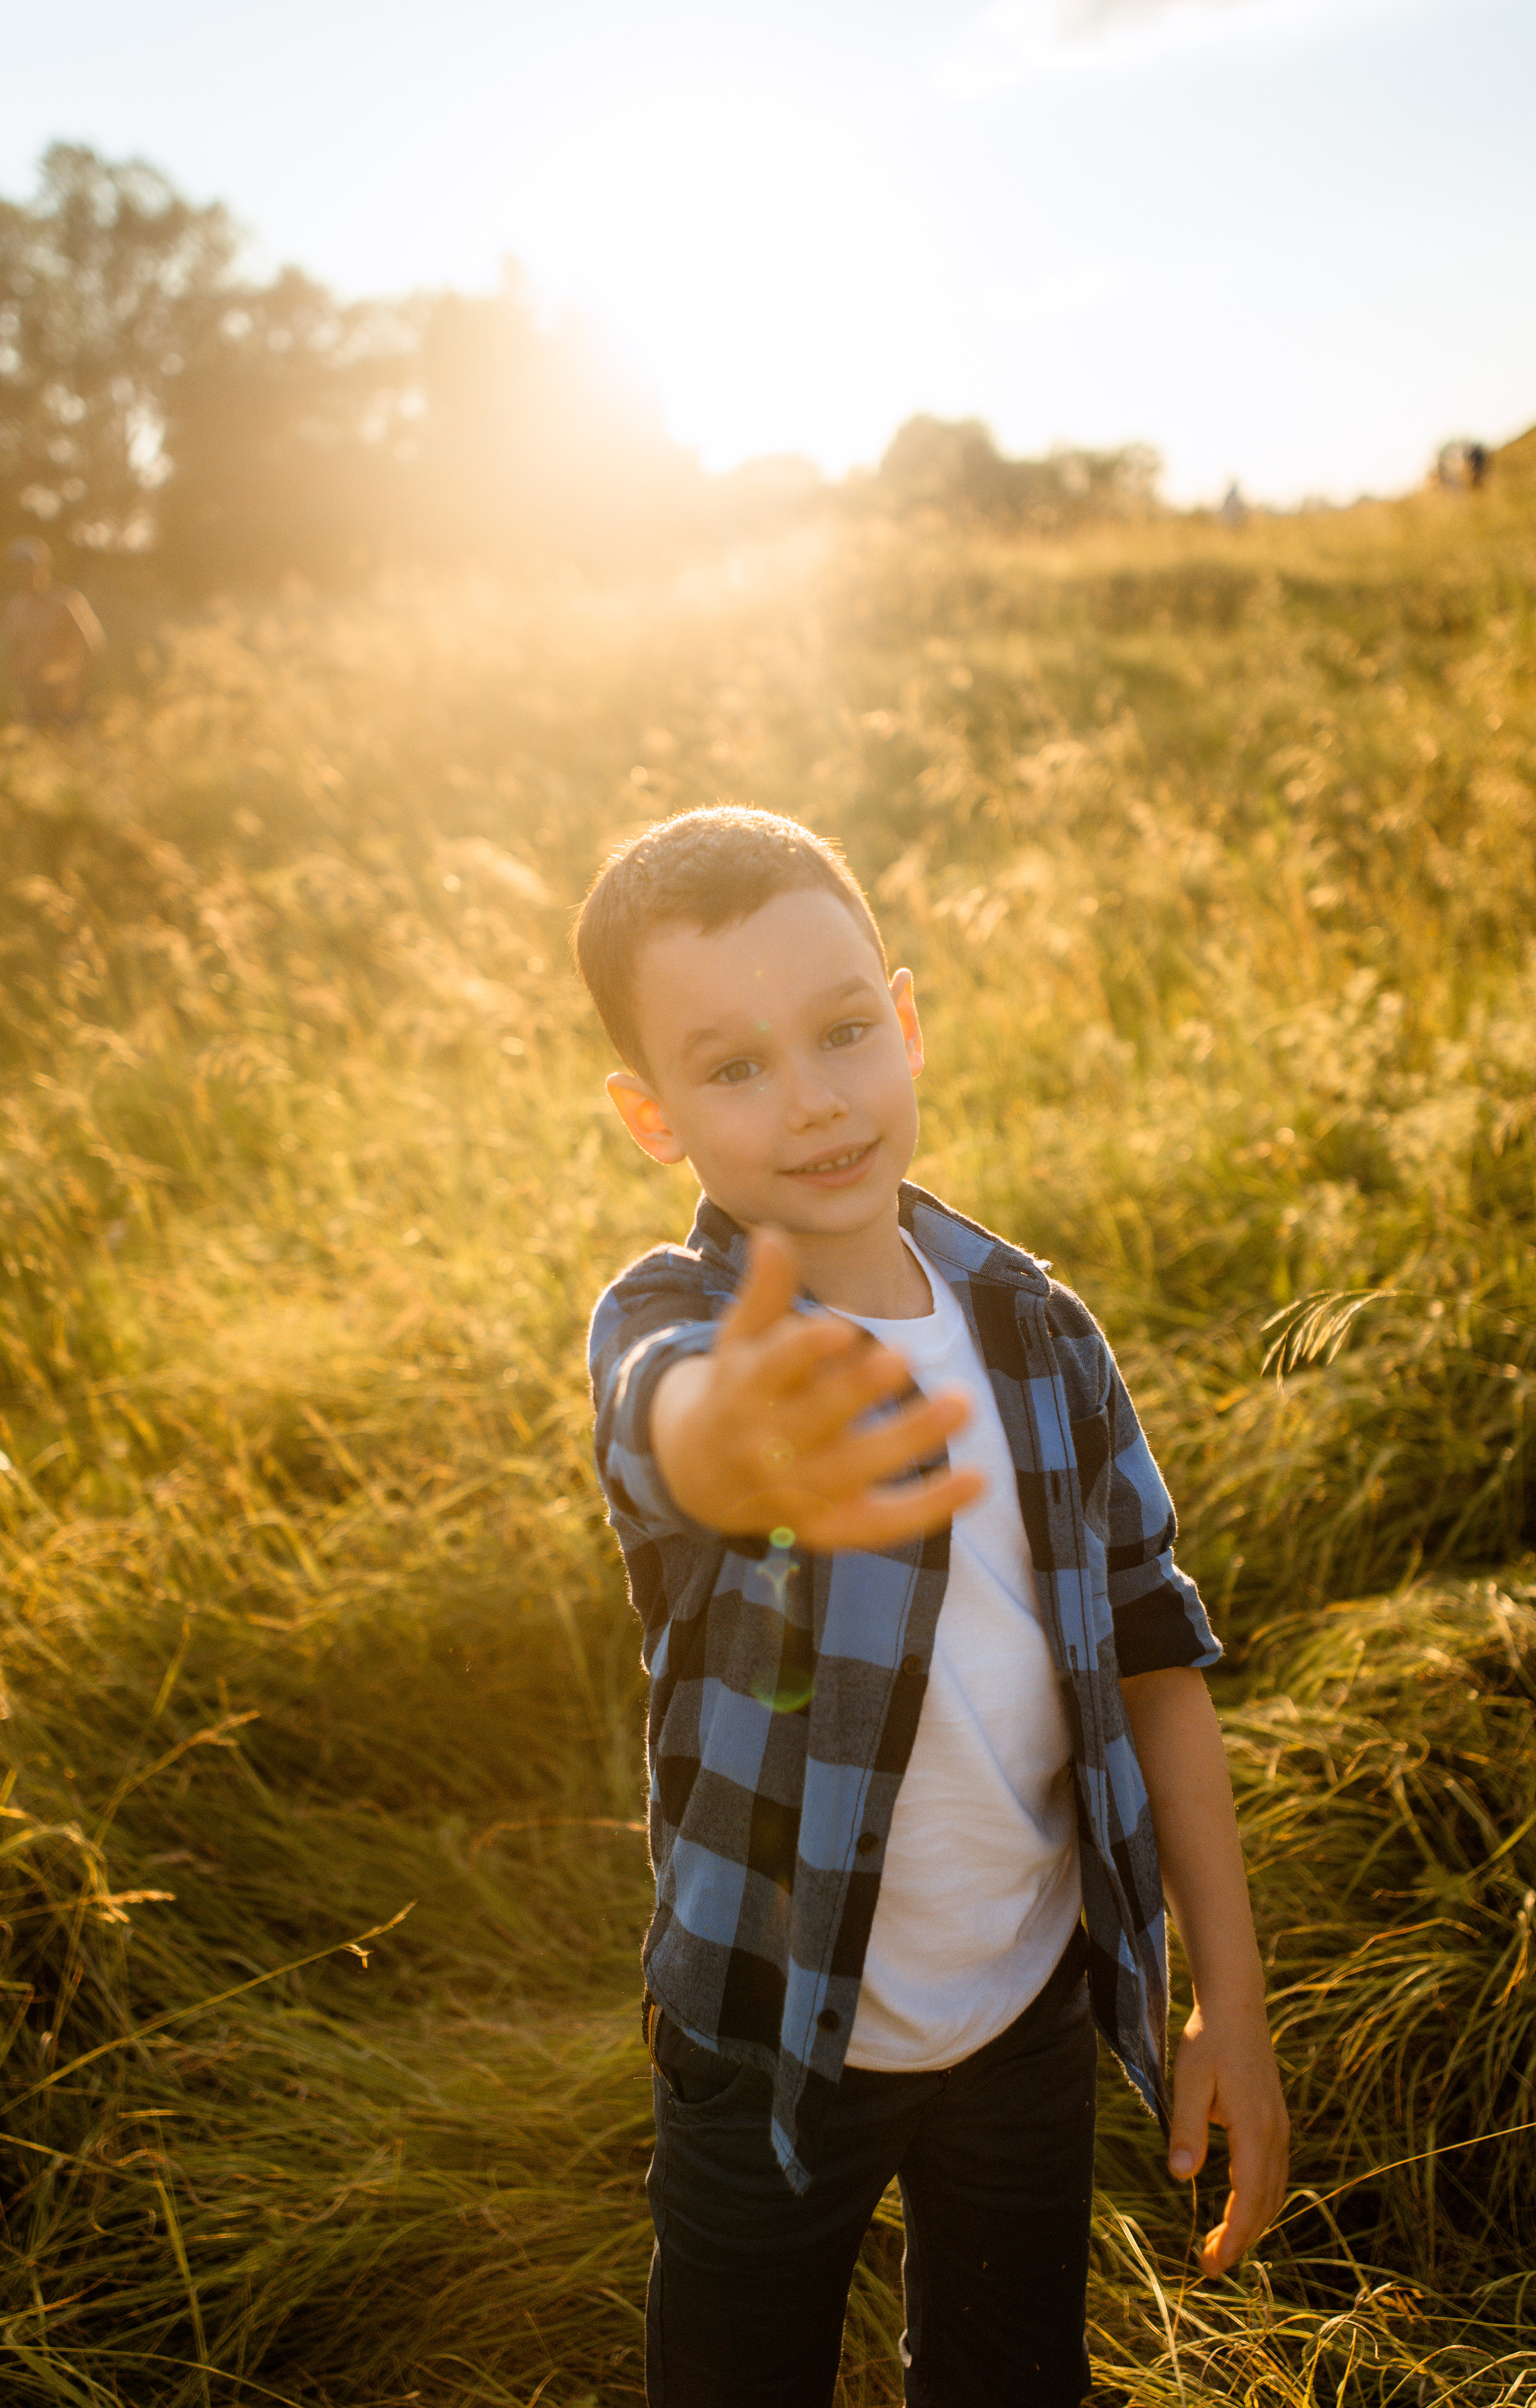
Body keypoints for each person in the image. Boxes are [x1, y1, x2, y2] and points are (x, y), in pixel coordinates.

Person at [578, 807, 1289, 2408]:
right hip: (765, 2029)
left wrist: (1228, 2001)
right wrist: (733, 1442)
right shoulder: (679, 1324)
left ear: (903, 1022)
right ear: (652, 1115)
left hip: (1026, 2013)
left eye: (840, 1031)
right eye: (735, 1065)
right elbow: (662, 1417)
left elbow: (1153, 1650)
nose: (813, 1097)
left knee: (1011, 2374)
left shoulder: (1037, 1329)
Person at [4, 538, 104, 726]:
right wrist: (19, 686)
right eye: (19, 568)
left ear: (44, 566)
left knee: (66, 740)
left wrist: (77, 682)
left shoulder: (67, 601)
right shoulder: (17, 606)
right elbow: (15, 648)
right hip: (31, 694)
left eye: (30, 567)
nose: (25, 573)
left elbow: (92, 643)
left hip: (63, 694)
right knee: (35, 740)